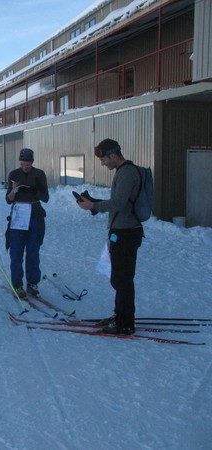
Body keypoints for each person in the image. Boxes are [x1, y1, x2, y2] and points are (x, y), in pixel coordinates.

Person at [77, 138, 143, 335]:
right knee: (119, 277)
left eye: (104, 159)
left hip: (126, 233)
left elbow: (119, 203)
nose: (102, 163)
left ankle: (125, 323)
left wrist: (94, 206)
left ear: (113, 156)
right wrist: (95, 202)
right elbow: (120, 202)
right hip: (120, 231)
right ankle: (120, 315)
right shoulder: (123, 172)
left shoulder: (127, 173)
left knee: (123, 279)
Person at [5, 148, 49, 299]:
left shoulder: (39, 174)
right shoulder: (14, 174)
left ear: (32, 162)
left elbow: (46, 198)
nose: (25, 167)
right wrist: (14, 190)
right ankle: (17, 284)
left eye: (28, 165)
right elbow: (8, 199)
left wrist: (35, 190)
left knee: (33, 251)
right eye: (23, 164)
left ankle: (32, 283)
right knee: (16, 251)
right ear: (20, 162)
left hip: (35, 214)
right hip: (18, 214)